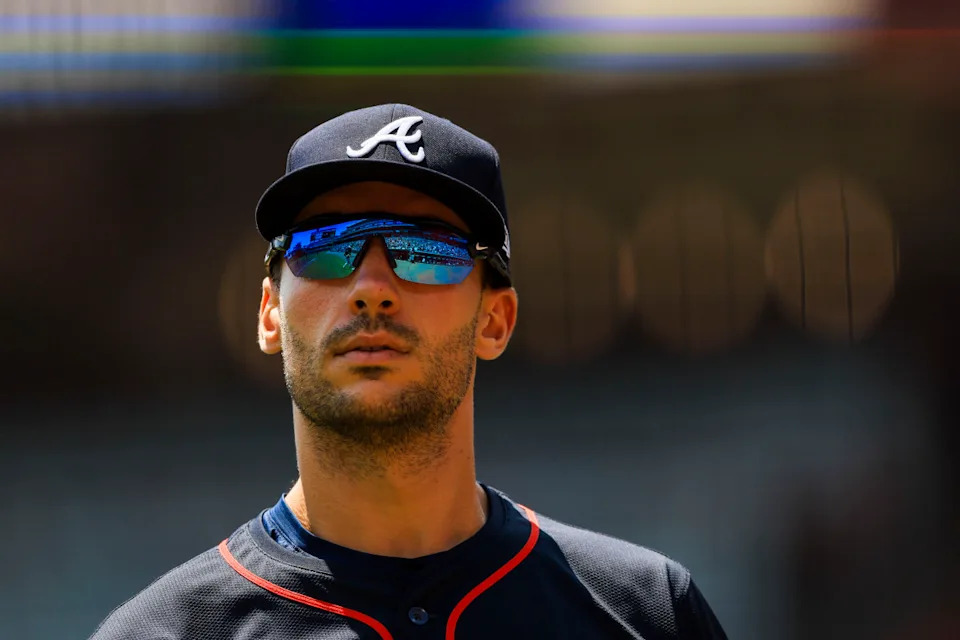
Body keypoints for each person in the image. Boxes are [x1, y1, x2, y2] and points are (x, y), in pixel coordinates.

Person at [90, 104, 728, 639]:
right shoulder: (160, 634)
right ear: (270, 314)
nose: (371, 288)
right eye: (326, 246)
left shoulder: (649, 614)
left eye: (425, 251)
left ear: (495, 321)